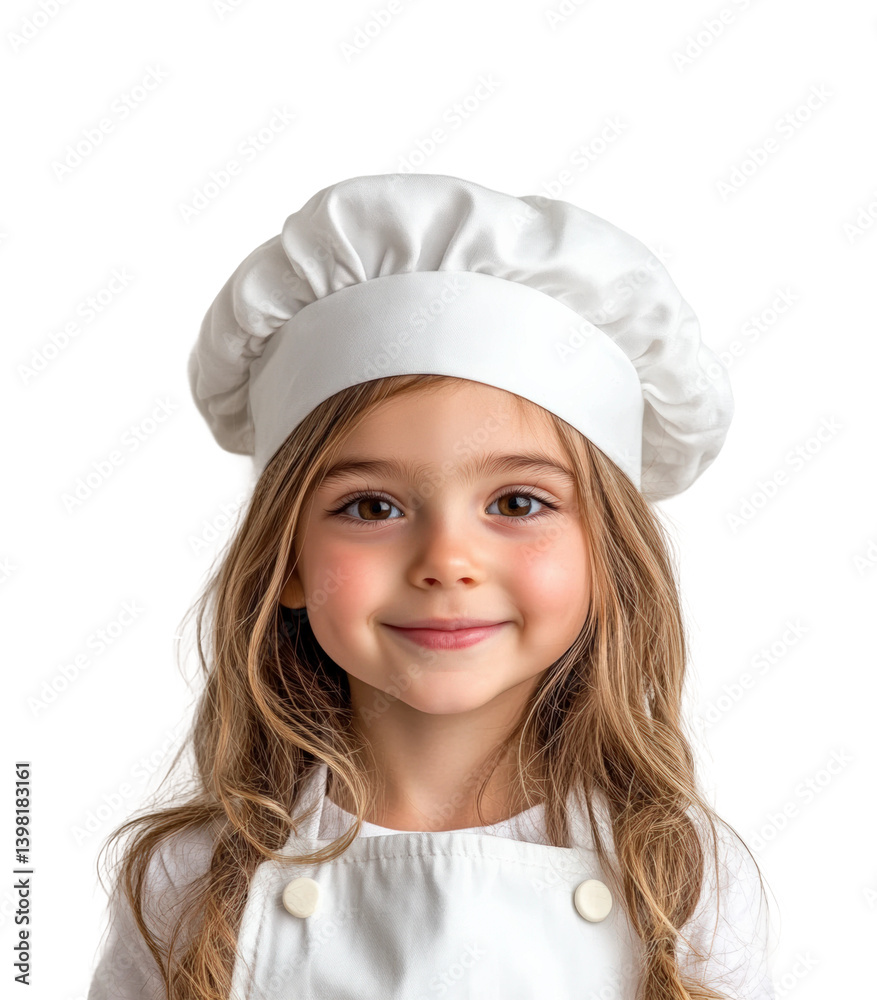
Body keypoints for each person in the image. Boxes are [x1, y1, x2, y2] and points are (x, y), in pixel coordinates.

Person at [86, 172, 777, 1000]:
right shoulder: (188, 877)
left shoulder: (680, 869)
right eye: (371, 505)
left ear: (607, 560)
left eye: (518, 502)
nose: (447, 560)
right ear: (289, 561)